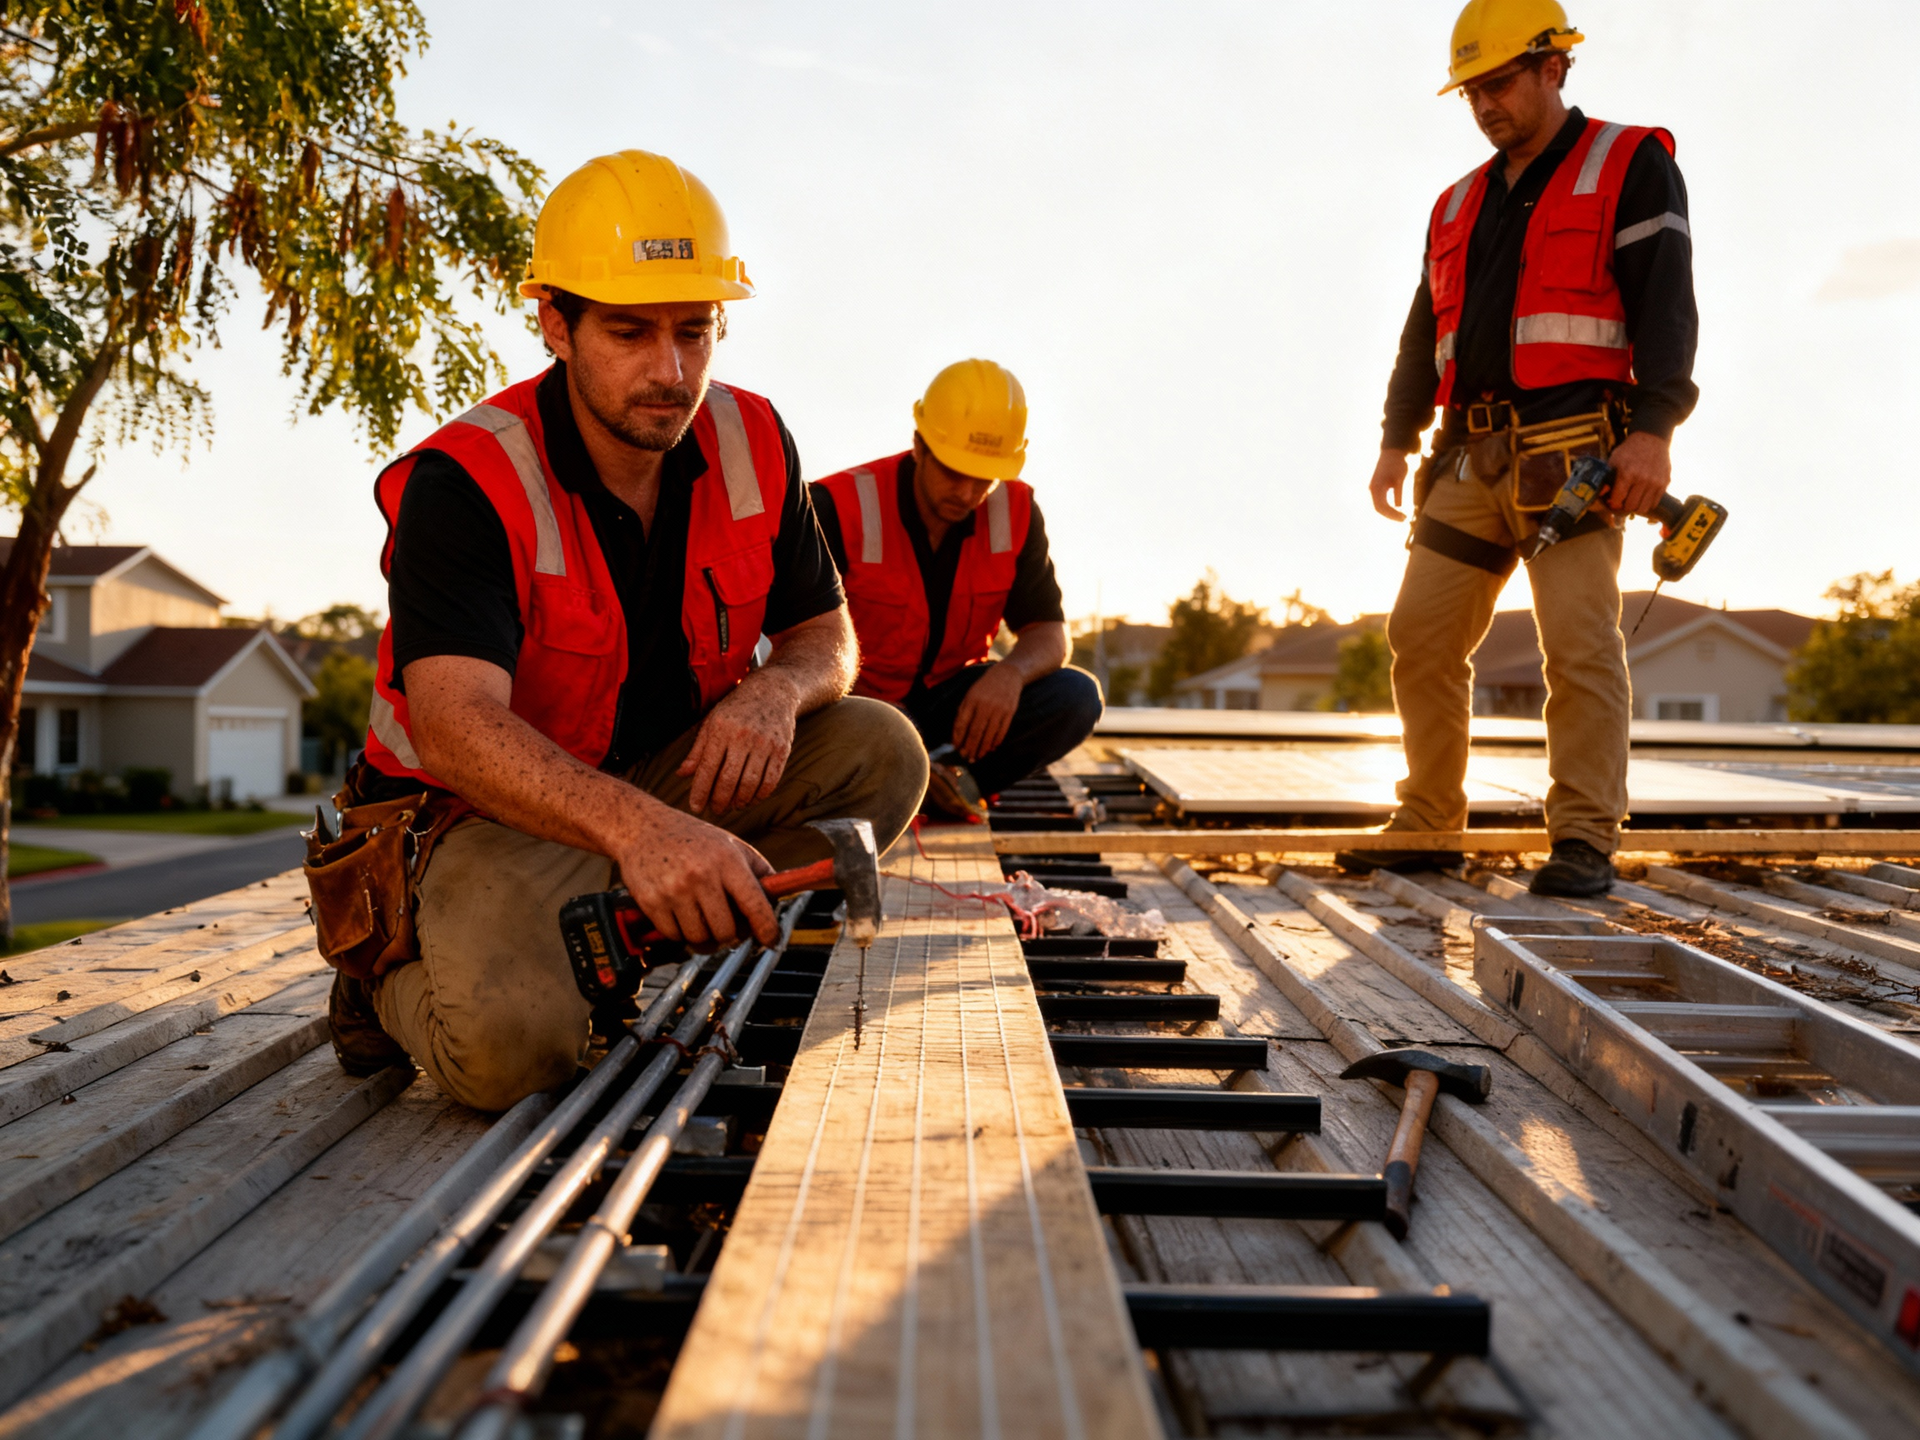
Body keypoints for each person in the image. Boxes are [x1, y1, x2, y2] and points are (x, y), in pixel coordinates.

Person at [323, 150, 927, 1108]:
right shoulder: (467, 481)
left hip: (649, 785)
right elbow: (452, 723)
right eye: (630, 332)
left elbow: (828, 634)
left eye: (695, 331)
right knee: (509, 1060)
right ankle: (377, 982)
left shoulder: (755, 439)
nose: (670, 371)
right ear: (555, 324)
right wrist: (646, 834)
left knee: (883, 751)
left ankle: (632, 930)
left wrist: (775, 693)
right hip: (479, 816)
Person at [1347, 0, 1698, 896]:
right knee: (1419, 638)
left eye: (1499, 82)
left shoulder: (1630, 164)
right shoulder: (1457, 203)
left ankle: (1583, 837)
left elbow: (1666, 306)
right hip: (1469, 457)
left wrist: (1655, 431)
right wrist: (1398, 438)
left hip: (1573, 453)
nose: (1485, 104)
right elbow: (1425, 329)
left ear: (1554, 66)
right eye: (1472, 90)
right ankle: (1429, 822)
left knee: (1578, 646)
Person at [811, 360, 1102, 816]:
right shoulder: (836, 507)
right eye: (954, 472)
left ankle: (952, 785)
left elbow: (1048, 632)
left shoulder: (1017, 511)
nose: (967, 494)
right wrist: (870, 712)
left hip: (951, 706)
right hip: (853, 710)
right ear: (919, 447)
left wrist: (1010, 674)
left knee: (1076, 696)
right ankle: (896, 778)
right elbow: (789, 637)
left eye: (983, 478)